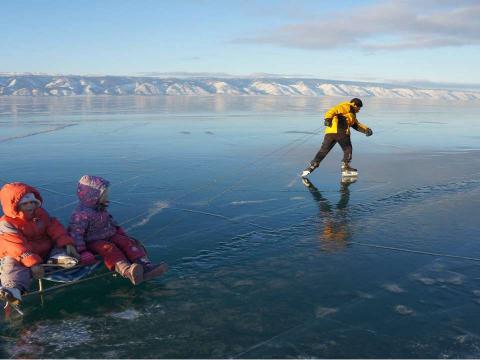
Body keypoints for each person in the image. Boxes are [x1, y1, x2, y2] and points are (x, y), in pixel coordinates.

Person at [68, 175, 167, 285]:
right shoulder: (81, 214)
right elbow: (76, 234)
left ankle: (145, 265)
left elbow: (111, 221)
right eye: (104, 195)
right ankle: (127, 270)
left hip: (108, 234)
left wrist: (120, 232)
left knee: (127, 242)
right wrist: (82, 251)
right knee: (109, 248)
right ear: (93, 196)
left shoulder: (100, 208)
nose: (107, 197)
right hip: (92, 241)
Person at [0, 182, 79, 305]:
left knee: (57, 245)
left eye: (32, 202)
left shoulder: (40, 213)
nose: (30, 206)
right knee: (12, 266)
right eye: (25, 203)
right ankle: (13, 290)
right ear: (15, 206)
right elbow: (16, 247)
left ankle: (57, 259)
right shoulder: (7, 224)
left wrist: (67, 243)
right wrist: (33, 264)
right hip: (20, 255)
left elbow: (53, 227)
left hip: (42, 248)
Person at [302, 98, 373, 177]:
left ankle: (313, 165)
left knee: (324, 150)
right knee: (348, 149)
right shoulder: (347, 106)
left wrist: (366, 130)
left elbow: (356, 125)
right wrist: (328, 119)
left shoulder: (350, 114)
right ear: (355, 105)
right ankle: (345, 167)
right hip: (341, 132)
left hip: (330, 133)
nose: (359, 109)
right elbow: (332, 110)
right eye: (359, 107)